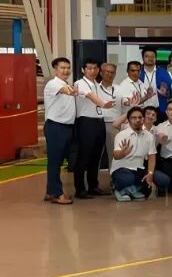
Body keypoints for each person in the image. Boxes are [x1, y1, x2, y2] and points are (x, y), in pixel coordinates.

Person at [74, 58, 115, 199]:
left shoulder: (97, 84)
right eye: (89, 68)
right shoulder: (80, 83)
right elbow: (91, 97)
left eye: (95, 68)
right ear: (83, 70)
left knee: (96, 156)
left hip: (99, 121)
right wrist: (104, 104)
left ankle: (93, 186)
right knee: (84, 156)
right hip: (86, 122)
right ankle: (80, 189)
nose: (93, 71)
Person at [110, 107, 167, 201]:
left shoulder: (149, 136)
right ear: (128, 120)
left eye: (140, 117)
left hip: (139, 169)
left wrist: (150, 173)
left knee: (163, 180)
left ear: (143, 119)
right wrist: (123, 153)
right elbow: (116, 156)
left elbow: (152, 156)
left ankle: (131, 190)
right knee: (128, 178)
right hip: (122, 169)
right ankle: (118, 187)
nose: (137, 120)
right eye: (134, 118)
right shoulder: (121, 135)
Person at [43, 57, 77, 205]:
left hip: (66, 127)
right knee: (55, 162)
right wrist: (73, 91)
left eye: (68, 68)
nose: (66, 70)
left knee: (57, 161)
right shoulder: (53, 84)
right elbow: (64, 91)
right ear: (55, 69)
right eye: (62, 68)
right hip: (56, 127)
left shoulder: (66, 84)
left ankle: (50, 192)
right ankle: (57, 194)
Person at [99, 62, 133, 173]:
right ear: (101, 73)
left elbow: (127, 102)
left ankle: (113, 179)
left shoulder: (120, 88)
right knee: (95, 154)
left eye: (112, 72)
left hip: (114, 125)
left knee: (114, 154)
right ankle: (91, 182)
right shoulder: (95, 88)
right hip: (97, 123)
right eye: (107, 72)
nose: (110, 74)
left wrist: (130, 103)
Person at [140, 47, 172, 117]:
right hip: (141, 110)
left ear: (156, 58)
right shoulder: (138, 72)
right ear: (142, 58)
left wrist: (166, 93)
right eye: (147, 56)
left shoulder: (163, 72)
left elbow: (170, 91)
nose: (150, 58)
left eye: (152, 56)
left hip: (160, 110)